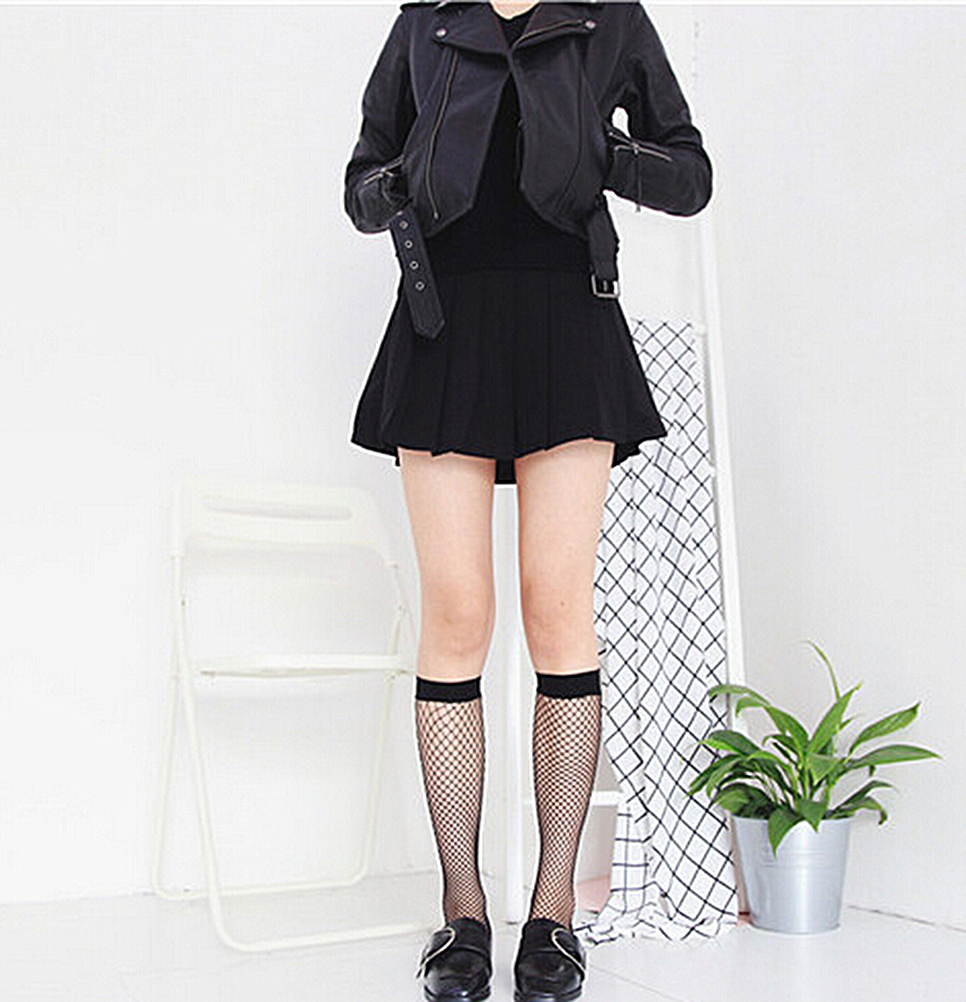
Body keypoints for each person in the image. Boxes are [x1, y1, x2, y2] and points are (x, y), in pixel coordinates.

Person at [342, 3, 712, 1000]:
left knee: (558, 609)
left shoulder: (609, 18)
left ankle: (551, 915)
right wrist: (399, 185)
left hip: (568, 319)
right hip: (442, 322)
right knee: (457, 615)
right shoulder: (427, 22)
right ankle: (462, 913)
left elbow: (691, 175)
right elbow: (362, 181)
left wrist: (605, 154)